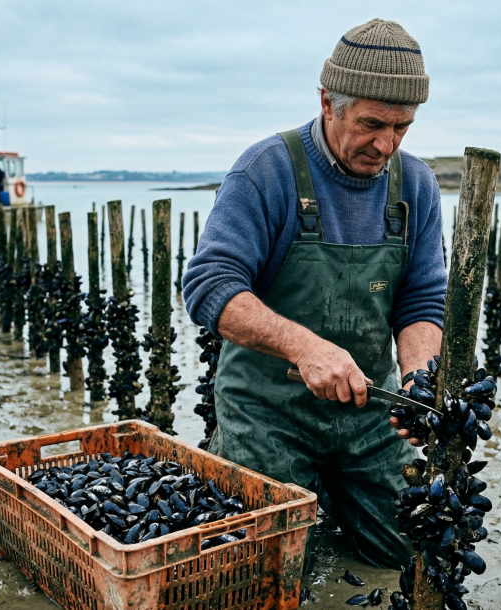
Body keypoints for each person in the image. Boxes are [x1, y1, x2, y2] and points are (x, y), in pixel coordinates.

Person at [182, 18, 446, 571]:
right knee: (263, 575)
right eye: (372, 124)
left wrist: (418, 378)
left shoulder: (416, 185)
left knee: (413, 556)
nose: (386, 145)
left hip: (370, 413)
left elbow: (422, 299)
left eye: (402, 127)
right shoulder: (265, 171)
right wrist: (306, 349)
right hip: (266, 414)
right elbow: (210, 285)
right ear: (328, 102)